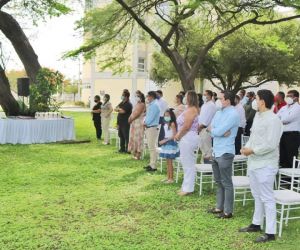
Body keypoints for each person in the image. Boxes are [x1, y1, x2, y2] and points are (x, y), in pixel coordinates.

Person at [239, 89, 283, 243]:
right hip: (253, 163)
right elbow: (253, 136)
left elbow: (270, 144)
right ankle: (256, 224)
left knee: (267, 198)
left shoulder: (273, 120)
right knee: (257, 195)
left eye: (256, 98)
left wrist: (253, 150)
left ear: (262, 101)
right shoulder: (258, 116)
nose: (254, 101)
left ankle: (270, 233)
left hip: (266, 164)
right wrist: (246, 148)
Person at [207, 91, 239, 219]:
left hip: (226, 151)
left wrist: (215, 131)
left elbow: (217, 130)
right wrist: (216, 131)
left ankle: (227, 211)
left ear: (227, 100)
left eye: (220, 99)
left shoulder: (233, 114)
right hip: (216, 150)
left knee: (226, 182)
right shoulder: (218, 112)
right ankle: (218, 207)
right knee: (218, 181)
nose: (218, 101)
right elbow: (211, 129)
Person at [175, 91, 199, 196]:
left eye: (185, 96)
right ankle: (186, 187)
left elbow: (186, 126)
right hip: (187, 137)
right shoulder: (189, 109)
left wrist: (178, 135)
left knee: (188, 164)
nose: (184, 98)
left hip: (187, 137)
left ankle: (188, 188)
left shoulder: (191, 110)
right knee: (187, 163)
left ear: (189, 98)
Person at [277, 90, 300, 169]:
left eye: (290, 96)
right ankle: (284, 178)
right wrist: (281, 119)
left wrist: (282, 119)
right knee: (283, 156)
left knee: (291, 156)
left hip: (292, 135)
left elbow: (286, 119)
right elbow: (276, 117)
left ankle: (293, 178)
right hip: (283, 134)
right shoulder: (284, 107)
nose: (288, 98)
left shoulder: (297, 108)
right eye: (287, 96)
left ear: (296, 98)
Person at [159, 109, 180, 184]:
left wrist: (164, 141)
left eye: (168, 115)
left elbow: (174, 135)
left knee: (170, 162)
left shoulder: (172, 124)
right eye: (165, 115)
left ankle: (171, 178)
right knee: (167, 162)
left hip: (170, 144)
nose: (166, 117)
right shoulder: (165, 124)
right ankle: (168, 177)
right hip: (166, 143)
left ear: (171, 116)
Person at [198, 90, 217, 163]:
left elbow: (208, 118)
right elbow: (201, 116)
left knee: (207, 148)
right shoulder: (204, 105)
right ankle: (203, 163)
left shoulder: (211, 105)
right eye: (203, 94)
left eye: (205, 95)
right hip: (201, 128)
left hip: (206, 129)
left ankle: (208, 166)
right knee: (202, 147)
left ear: (210, 96)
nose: (204, 96)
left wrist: (201, 126)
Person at [144, 91, 161, 172]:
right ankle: (151, 163)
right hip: (149, 127)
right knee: (151, 146)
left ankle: (153, 165)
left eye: (148, 96)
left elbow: (150, 117)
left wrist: (145, 123)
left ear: (152, 97)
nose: (147, 97)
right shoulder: (152, 105)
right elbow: (147, 116)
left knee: (152, 147)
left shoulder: (154, 105)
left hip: (152, 127)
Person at [128, 91, 146, 160]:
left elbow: (137, 114)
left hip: (139, 123)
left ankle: (138, 154)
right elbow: (133, 112)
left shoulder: (142, 104)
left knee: (138, 138)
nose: (136, 97)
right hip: (134, 123)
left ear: (141, 97)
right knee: (134, 138)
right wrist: (130, 118)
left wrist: (131, 119)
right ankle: (134, 153)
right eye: (135, 96)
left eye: (138, 96)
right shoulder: (136, 104)